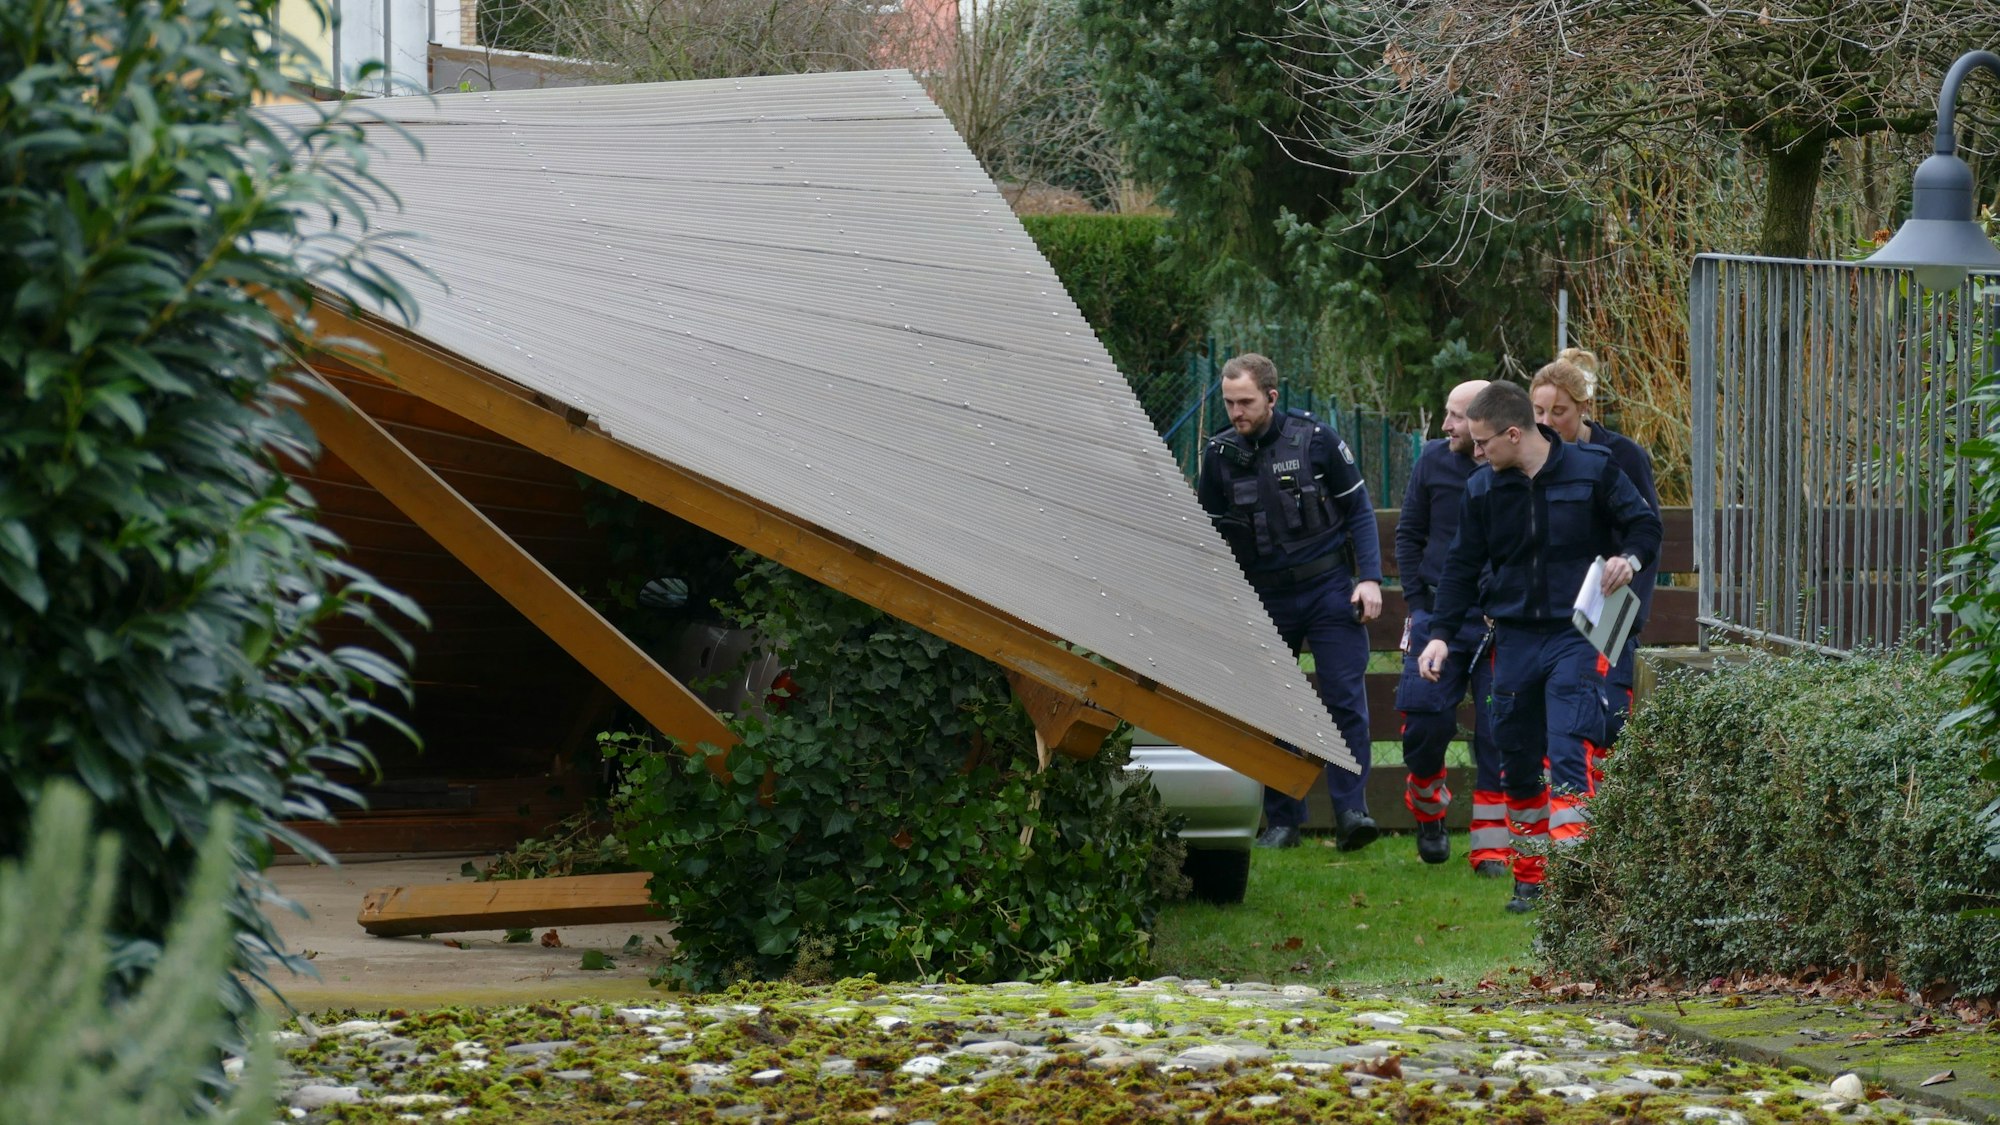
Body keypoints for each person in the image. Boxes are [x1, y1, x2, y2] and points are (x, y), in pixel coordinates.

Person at [1418, 380, 1661, 912]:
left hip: (1579, 635)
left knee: (1570, 750)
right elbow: (1459, 567)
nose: (1475, 452)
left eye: (1483, 442)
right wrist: (1439, 636)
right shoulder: (1482, 490)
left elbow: (1644, 525)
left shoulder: (1594, 470)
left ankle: (1576, 885)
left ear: (1513, 434)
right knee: (1519, 756)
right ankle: (1530, 878)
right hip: (1514, 639)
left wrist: (1629, 560)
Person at [1198, 353, 1383, 852]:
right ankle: (1282, 822)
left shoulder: (1315, 439)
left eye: (1245, 402)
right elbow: (1209, 533)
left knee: (1343, 698)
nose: (1236, 412)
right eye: (1229, 403)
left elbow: (1359, 511)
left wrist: (1369, 579)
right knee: (1277, 706)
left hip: (1327, 588)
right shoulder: (1218, 454)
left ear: (1272, 397)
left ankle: (1352, 812)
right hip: (1264, 596)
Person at [1528, 348, 1661, 779]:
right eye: (1538, 412)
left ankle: (1601, 812)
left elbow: (1646, 535)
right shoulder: (1527, 460)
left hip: (1608, 613)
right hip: (1546, 617)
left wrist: (1627, 616)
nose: (1547, 422)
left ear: (1584, 408)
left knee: (1608, 723)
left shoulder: (1623, 456)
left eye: (1559, 412)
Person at [1394, 380, 1507, 876]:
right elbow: (1408, 534)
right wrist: (1418, 607)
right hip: (1436, 617)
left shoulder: (1511, 468)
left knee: (1498, 733)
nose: (1446, 426)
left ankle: (1491, 848)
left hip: (1495, 622)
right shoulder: (1432, 461)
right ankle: (1428, 811)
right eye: (1448, 414)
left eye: (1456, 416)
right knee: (1425, 723)